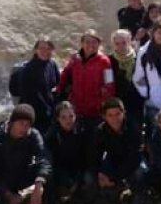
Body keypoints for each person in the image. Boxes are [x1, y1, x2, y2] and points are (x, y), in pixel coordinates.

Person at [56, 29, 115, 174]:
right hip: (76, 110)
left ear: (99, 44)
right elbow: (65, 75)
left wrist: (103, 102)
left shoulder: (104, 61)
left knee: (93, 145)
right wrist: (59, 89)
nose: (90, 45)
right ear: (81, 43)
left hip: (94, 111)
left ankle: (93, 175)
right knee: (76, 144)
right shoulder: (75, 59)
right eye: (87, 42)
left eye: (94, 42)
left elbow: (110, 84)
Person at [95, 98, 146, 204]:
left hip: (133, 162)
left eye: (118, 114)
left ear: (124, 113)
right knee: (93, 177)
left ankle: (140, 196)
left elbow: (134, 157)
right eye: (110, 115)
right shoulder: (100, 131)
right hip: (112, 161)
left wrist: (115, 177)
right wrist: (100, 173)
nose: (115, 118)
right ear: (104, 117)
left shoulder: (133, 128)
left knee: (141, 172)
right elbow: (94, 155)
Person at [44, 102, 85, 204]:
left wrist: (79, 175)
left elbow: (89, 155)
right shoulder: (52, 135)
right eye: (64, 117)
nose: (68, 120)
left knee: (89, 183)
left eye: (71, 116)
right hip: (59, 170)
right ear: (58, 118)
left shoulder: (82, 130)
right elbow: (48, 159)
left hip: (79, 168)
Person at [17, 37, 60, 135]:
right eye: (42, 48)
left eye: (48, 48)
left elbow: (58, 84)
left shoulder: (52, 65)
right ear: (35, 50)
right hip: (34, 114)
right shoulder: (28, 69)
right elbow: (28, 94)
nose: (45, 51)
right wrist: (46, 109)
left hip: (50, 112)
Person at [109, 30, 145, 130]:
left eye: (124, 42)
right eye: (117, 43)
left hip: (137, 103)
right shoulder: (109, 61)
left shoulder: (139, 58)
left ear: (129, 41)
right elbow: (108, 83)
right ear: (113, 44)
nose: (121, 46)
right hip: (117, 106)